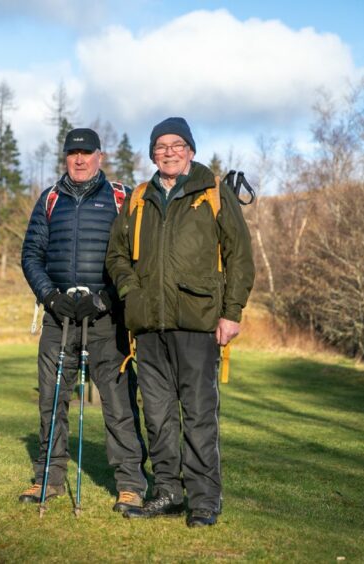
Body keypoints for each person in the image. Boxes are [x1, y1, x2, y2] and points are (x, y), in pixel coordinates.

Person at [106, 117, 254, 527]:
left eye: (176, 145)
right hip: (149, 325)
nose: (168, 152)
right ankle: (168, 491)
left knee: (199, 414)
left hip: (198, 322)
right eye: (160, 146)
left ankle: (205, 500)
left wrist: (232, 312)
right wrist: (130, 291)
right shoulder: (138, 198)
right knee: (156, 414)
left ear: (190, 149)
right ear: (152, 153)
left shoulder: (214, 193)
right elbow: (116, 255)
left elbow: (240, 256)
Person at [20, 127, 148, 512]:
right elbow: (31, 256)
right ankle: (48, 477)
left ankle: (130, 484)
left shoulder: (121, 198)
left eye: (86, 152)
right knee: (52, 399)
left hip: (107, 318)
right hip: (60, 318)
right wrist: (50, 296)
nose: (79, 159)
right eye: (72, 153)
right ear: (65, 158)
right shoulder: (50, 199)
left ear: (99, 156)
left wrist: (106, 298)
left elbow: (136, 257)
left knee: (119, 401)